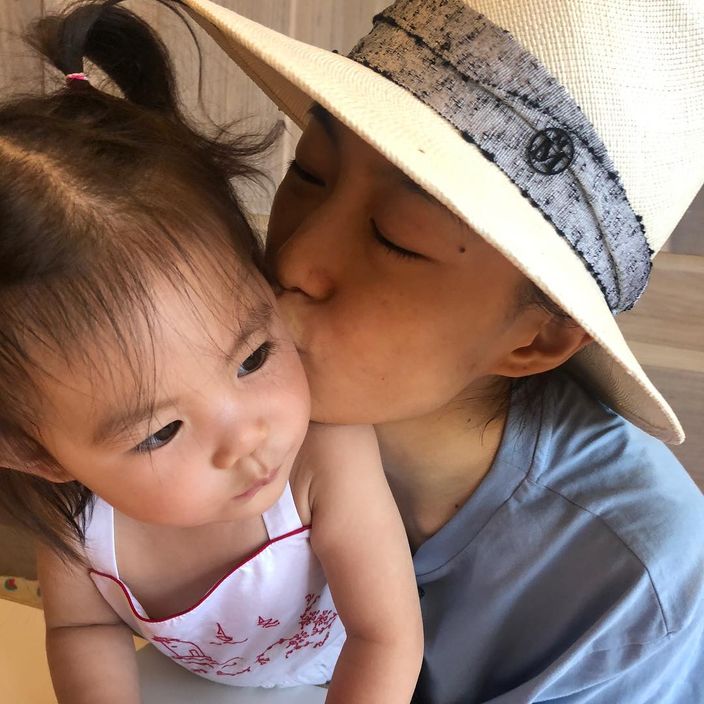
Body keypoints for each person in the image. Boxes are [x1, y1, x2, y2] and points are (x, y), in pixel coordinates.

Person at [175, 0, 704, 702]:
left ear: (539, 337)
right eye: (308, 173)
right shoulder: (233, 408)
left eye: (396, 237)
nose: (296, 259)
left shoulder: (630, 584)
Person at [0, 3, 423, 703]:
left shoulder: (325, 457)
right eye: (160, 432)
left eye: (252, 358)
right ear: (35, 452)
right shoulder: (77, 517)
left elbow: (387, 637)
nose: (247, 440)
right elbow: (82, 630)